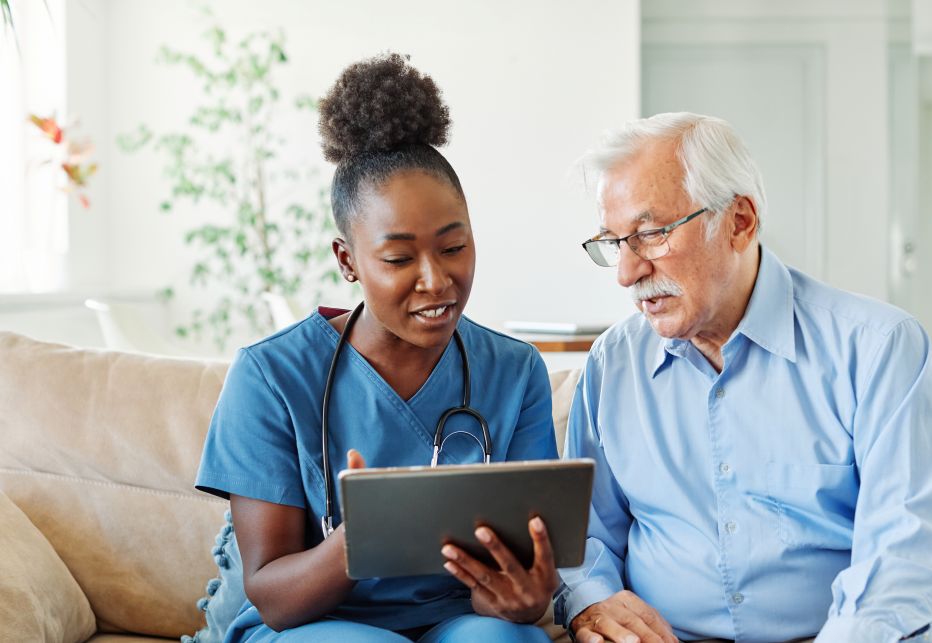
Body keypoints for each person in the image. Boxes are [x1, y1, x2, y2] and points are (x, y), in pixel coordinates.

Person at [195, 53, 558, 642]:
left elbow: (518, 580)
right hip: (313, 624)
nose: (436, 280)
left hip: (453, 620)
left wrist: (522, 600)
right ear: (348, 260)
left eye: (453, 247)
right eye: (398, 258)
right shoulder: (271, 374)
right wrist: (363, 534)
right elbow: (276, 599)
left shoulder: (515, 371)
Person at [554, 112, 932, 643]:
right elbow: (586, 539)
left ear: (739, 222)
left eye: (651, 235)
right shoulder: (613, 363)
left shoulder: (879, 349)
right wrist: (593, 601)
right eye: (615, 243)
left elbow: (901, 560)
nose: (626, 273)